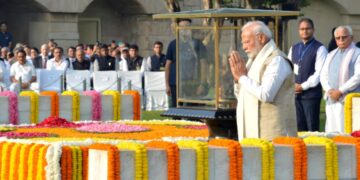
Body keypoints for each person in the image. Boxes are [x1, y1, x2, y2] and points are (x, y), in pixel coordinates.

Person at [229, 20, 297, 140]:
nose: (244, 47)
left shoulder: (277, 60)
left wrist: (242, 78)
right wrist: (237, 80)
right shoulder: (253, 61)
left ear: (261, 38)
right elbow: (243, 96)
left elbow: (266, 94)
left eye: (246, 42)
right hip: (254, 134)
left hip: (274, 135)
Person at [288, 18, 327, 132]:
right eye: (302, 29)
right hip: (295, 95)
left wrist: (303, 86)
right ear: (299, 31)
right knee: (298, 128)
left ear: (313, 30)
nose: (305, 31)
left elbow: (319, 73)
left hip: (311, 95)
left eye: (307, 28)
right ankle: (300, 150)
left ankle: (314, 150)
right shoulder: (294, 48)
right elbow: (289, 69)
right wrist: (293, 85)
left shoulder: (320, 48)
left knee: (312, 128)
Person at [320, 25, 360, 132]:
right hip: (332, 98)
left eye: (344, 37)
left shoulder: (357, 53)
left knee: (347, 131)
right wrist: (329, 90)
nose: (341, 40)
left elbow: (358, 76)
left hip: (348, 99)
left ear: (351, 37)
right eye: (338, 38)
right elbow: (323, 75)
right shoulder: (331, 54)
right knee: (332, 131)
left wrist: (340, 91)